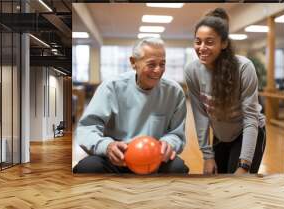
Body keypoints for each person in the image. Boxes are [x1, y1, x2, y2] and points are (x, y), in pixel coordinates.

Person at [74, 37, 189, 174]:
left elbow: (177, 134)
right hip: (117, 158)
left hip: (154, 158)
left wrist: (168, 144)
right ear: (133, 62)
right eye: (151, 64)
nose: (158, 70)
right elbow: (88, 128)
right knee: (87, 167)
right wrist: (107, 146)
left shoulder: (174, 92)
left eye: (162, 64)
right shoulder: (111, 87)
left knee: (178, 168)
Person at [184, 8, 266, 175]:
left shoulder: (243, 67)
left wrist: (244, 165)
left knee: (238, 188)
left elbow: (250, 118)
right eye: (198, 41)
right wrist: (207, 156)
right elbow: (200, 116)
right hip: (221, 135)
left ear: (224, 42)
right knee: (217, 185)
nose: (202, 48)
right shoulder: (192, 71)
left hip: (247, 132)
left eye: (209, 41)